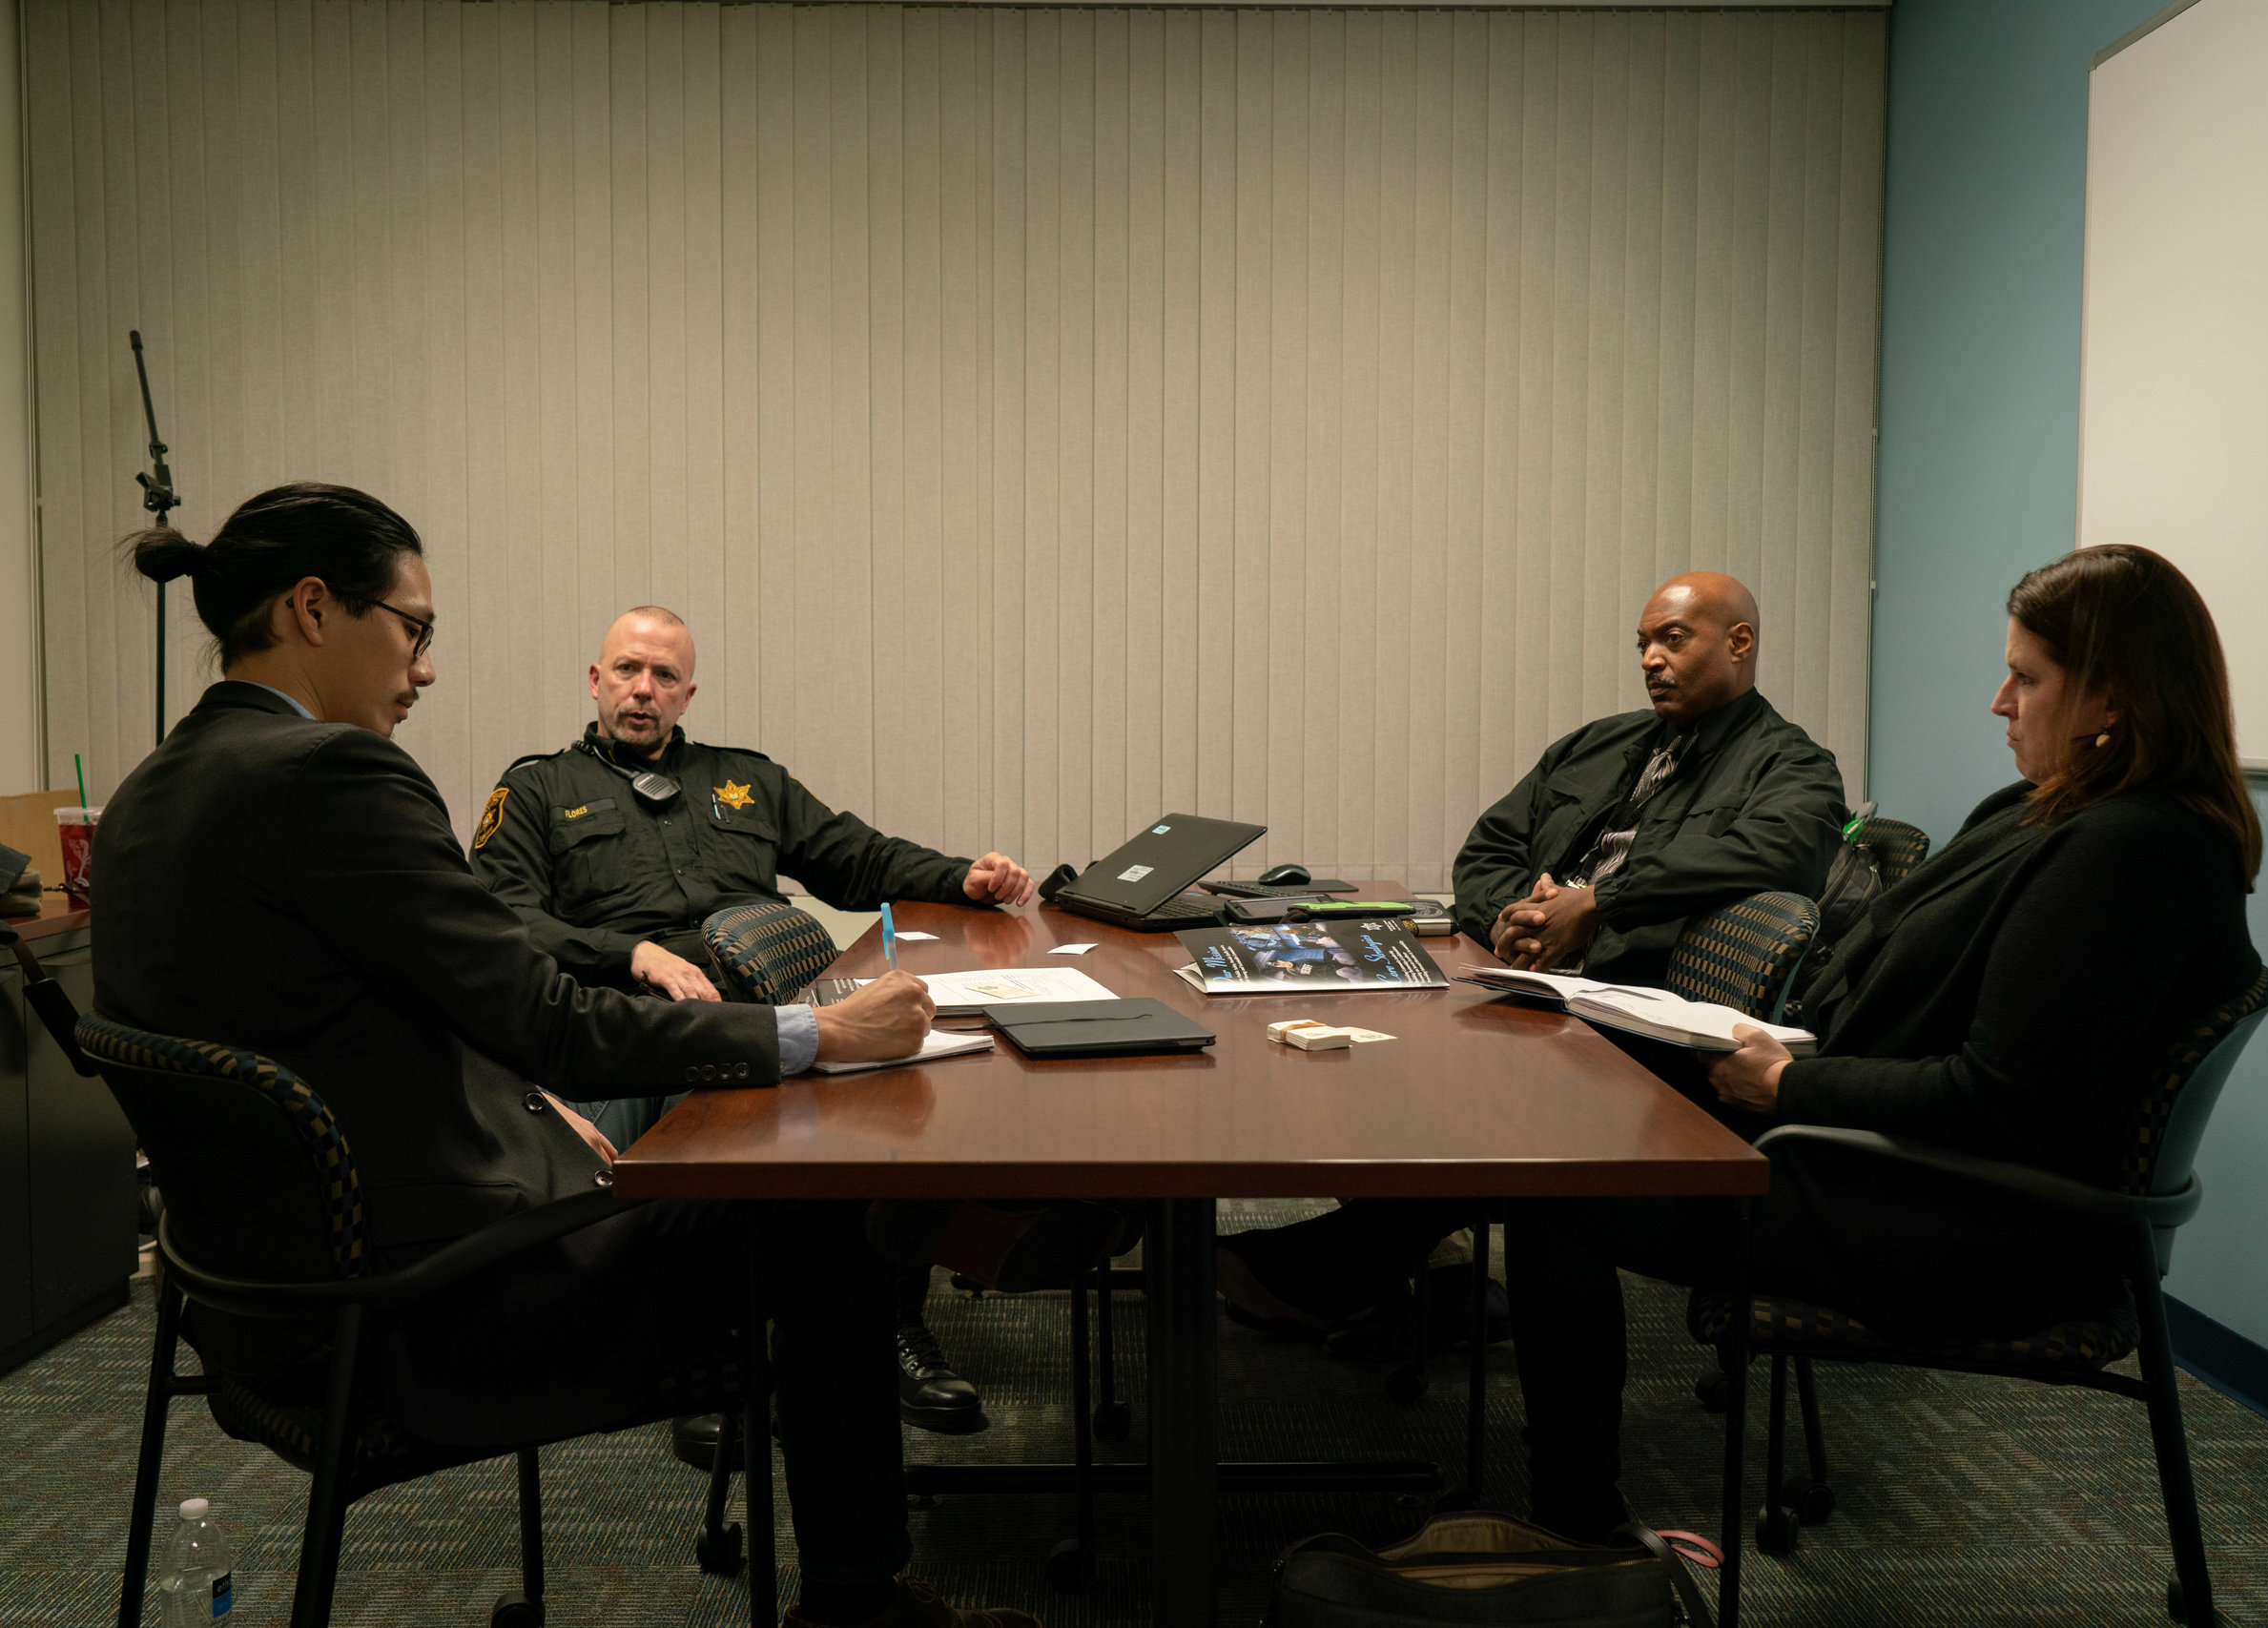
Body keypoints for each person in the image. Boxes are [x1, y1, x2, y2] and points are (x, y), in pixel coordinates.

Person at [98, 483, 1041, 1628]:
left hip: (256, 1306)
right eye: (415, 629)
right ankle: (861, 1606)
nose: (425, 666)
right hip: (426, 1311)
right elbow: (551, 1018)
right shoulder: (336, 777)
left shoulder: (154, 789)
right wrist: (817, 1032)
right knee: (822, 1213)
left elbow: (366, 1009)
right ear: (313, 609)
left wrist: (531, 1104)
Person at [1505, 544, 2264, 1538]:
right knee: (1573, 1088)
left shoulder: (2134, 853)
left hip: (1971, 1221)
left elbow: (1994, 1100)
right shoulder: (2046, 816)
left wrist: (1789, 1089)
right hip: (1885, 1158)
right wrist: (1774, 1046)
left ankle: (1576, 1529)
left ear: (2111, 698)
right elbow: (1890, 973)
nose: (1999, 702)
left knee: (1552, 1184)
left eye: (2026, 678)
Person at [1215, 572, 1847, 1335]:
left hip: (1637, 1025)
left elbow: (1784, 849)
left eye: (1672, 639)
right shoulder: (1598, 744)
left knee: (1485, 1109)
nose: (1650, 658)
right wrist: (1513, 918)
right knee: (1375, 1044)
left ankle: (1336, 1271)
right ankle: (1412, 1278)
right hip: (1532, 987)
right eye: (1643, 643)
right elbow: (1489, 846)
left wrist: (1602, 904)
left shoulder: (1792, 764)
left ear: (1739, 642)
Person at [471, 607, 1030, 1437]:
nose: (643, 690)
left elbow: (857, 857)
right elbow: (503, 918)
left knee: (909, 1089)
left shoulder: (747, 779)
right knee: (736, 1120)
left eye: (663, 677)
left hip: (772, 996)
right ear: (595, 680)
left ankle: (891, 1323)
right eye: (627, 670)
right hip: (638, 1022)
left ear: (687, 693)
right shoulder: (537, 789)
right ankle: (721, 1348)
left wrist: (964, 876)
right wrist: (632, 954)